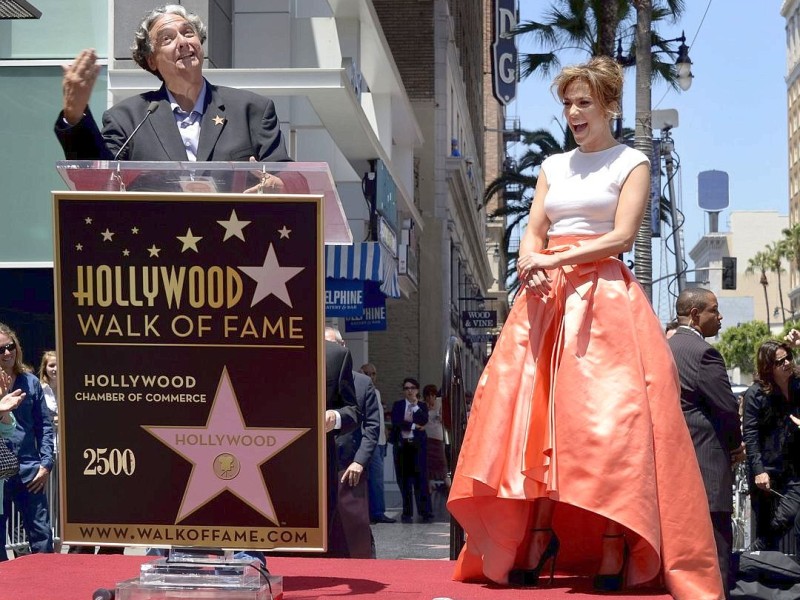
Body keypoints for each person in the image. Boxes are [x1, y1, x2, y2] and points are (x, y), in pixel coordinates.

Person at [446, 56, 723, 599]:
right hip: (546, 302)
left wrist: (554, 260)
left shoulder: (632, 162)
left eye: (583, 103)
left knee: (609, 428)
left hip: (605, 302)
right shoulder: (553, 166)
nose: (573, 112)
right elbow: (533, 231)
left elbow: (621, 238)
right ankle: (536, 534)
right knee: (534, 424)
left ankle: (615, 539)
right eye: (568, 103)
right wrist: (533, 259)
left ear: (608, 106)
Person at [55, 4, 291, 192]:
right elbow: (98, 181)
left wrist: (279, 186)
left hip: (239, 242)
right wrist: (75, 116)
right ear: (151, 60)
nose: (183, 42)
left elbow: (290, 181)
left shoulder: (252, 110)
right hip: (155, 246)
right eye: (167, 39)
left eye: (188, 33)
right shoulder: (128, 118)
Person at [668, 288, 744, 598]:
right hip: (708, 464)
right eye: (715, 310)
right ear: (696, 315)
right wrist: (736, 446)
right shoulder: (705, 353)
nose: (721, 316)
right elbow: (726, 407)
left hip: (676, 462)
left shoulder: (667, 346)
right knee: (716, 552)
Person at [0, 323, 55, 559]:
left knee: (41, 535)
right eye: (0, 350)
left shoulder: (31, 382)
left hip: (29, 468)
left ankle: (48, 588)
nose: (7, 353)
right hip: (1, 472)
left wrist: (46, 464)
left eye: (10, 346)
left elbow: (45, 426)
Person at [325, 327, 380, 558]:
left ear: (343, 346)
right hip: (322, 462)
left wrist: (359, 461)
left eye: (331, 345)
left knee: (352, 524)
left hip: (349, 463)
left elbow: (371, 427)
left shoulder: (362, 383)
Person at [742, 339, 800, 553]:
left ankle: (757, 549)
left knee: (789, 512)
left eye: (788, 358)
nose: (787, 364)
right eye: (780, 362)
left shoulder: (797, 385)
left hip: (793, 467)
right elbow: (750, 435)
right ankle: (758, 567)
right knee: (765, 523)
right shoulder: (756, 394)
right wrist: (759, 471)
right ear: (768, 367)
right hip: (766, 470)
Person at [389, 378, 433, 524]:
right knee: (404, 481)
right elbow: (396, 422)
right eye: (406, 388)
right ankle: (407, 514)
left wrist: (414, 407)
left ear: (417, 390)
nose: (409, 390)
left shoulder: (421, 406)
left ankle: (425, 513)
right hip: (402, 447)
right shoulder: (398, 405)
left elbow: (424, 420)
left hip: (417, 447)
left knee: (421, 480)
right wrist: (414, 426)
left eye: (412, 388)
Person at [360, 363, 395, 524]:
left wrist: (385, 435)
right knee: (375, 478)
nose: (370, 376)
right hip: (370, 441)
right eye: (367, 373)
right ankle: (376, 512)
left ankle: (376, 511)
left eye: (373, 373)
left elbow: (378, 418)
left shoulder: (377, 392)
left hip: (381, 441)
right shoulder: (360, 390)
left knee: (377, 478)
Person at [422, 384, 449, 490]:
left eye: (432, 395)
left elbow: (445, 418)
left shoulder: (440, 402)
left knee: (441, 460)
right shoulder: (423, 405)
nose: (430, 398)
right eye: (428, 396)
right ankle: (430, 482)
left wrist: (441, 416)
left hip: (438, 436)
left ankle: (446, 481)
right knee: (428, 462)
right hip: (427, 436)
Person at [37, 351, 58, 425]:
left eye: (58, 365)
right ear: (45, 368)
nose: (55, 369)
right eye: (51, 366)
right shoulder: (38, 389)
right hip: (46, 434)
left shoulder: (70, 389)